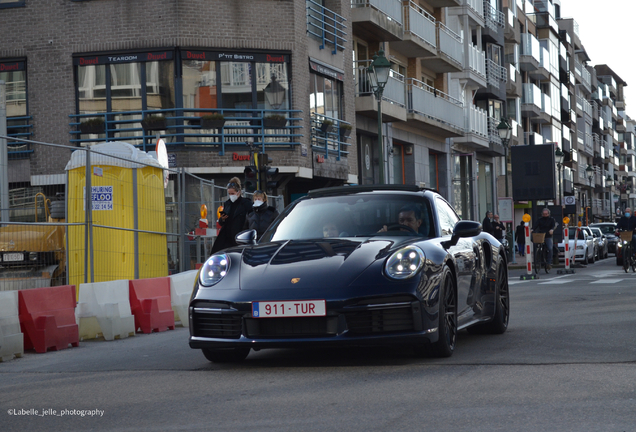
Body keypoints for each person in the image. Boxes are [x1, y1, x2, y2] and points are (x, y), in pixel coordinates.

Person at [211, 177, 253, 253]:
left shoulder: (246, 204)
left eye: (232, 193)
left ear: (238, 192)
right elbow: (221, 222)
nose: (231, 196)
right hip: (227, 238)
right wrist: (222, 219)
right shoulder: (227, 203)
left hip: (239, 237)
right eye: (229, 194)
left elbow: (250, 220)